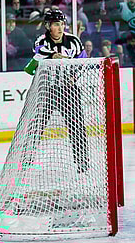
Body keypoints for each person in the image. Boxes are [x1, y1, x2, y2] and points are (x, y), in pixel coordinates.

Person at [22, 9, 89, 174]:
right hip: (48, 90)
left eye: (61, 24)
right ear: (47, 26)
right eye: (55, 25)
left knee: (77, 126)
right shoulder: (41, 40)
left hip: (69, 90)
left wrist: (74, 75)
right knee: (37, 125)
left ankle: (82, 163)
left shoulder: (73, 41)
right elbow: (39, 53)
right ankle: (27, 159)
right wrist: (53, 55)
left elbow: (83, 61)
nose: (60, 28)